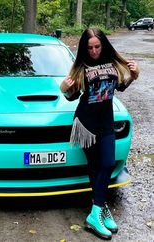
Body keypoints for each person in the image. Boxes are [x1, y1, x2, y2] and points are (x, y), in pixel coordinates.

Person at [60, 28, 139, 240]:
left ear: (103, 45)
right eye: (90, 47)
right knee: (95, 168)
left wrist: (133, 75)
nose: (94, 51)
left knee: (107, 163)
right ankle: (100, 210)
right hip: (85, 124)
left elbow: (119, 87)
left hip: (106, 123)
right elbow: (70, 96)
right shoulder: (81, 68)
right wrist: (63, 87)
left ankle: (95, 213)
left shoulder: (112, 63)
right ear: (85, 48)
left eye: (97, 46)